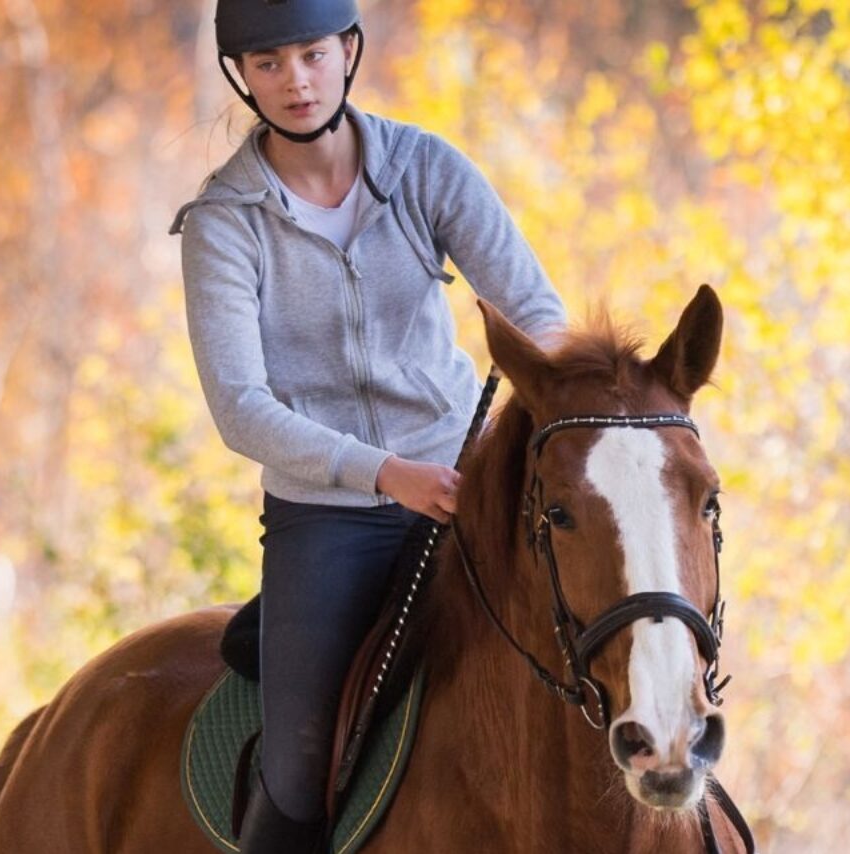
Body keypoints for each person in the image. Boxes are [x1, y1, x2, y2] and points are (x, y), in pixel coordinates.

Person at [167, 0, 568, 849]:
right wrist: (385, 473)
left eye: (311, 54)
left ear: (348, 49)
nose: (296, 81)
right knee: (298, 772)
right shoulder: (222, 224)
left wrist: (576, 409)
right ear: (240, 75)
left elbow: (538, 316)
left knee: (608, 637)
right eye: (268, 63)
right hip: (328, 521)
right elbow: (242, 409)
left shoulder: (428, 169)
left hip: (470, 490)